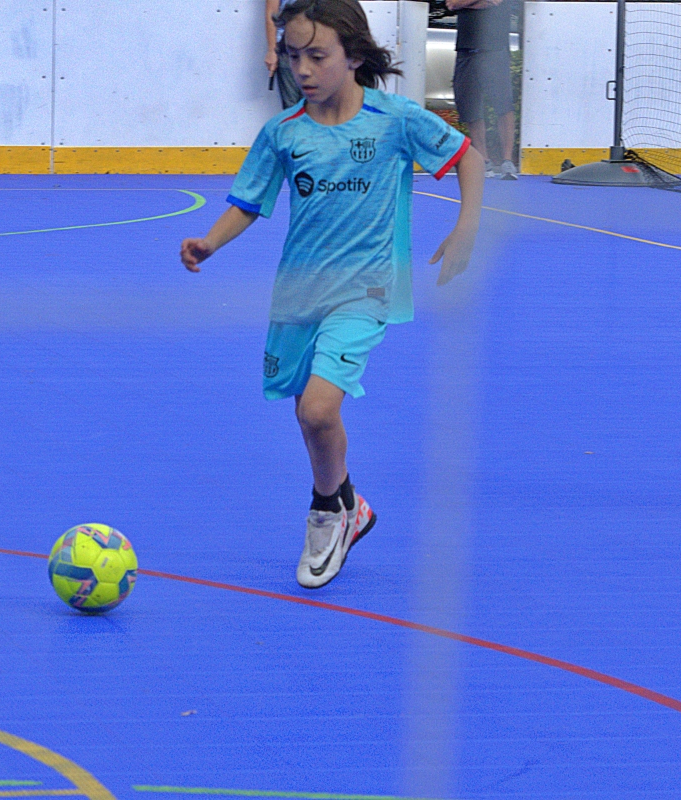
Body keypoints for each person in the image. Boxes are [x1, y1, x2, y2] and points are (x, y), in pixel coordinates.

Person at [182, 0, 485, 587]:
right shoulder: (283, 133)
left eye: (317, 55)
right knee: (305, 413)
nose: (304, 69)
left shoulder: (395, 120)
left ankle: (326, 514)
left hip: (367, 290)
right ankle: (349, 502)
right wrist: (210, 244)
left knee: (321, 408)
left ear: (353, 55)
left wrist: (466, 227)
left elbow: (466, 157)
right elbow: (248, 201)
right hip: (299, 293)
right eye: (294, 56)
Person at [447, 0, 518, 179]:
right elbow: (451, 3)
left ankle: (507, 161)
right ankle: (484, 160)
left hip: (495, 49)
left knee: (503, 103)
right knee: (470, 105)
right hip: (466, 49)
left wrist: (465, 3)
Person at [266, 0, 302, 109]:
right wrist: (272, 50)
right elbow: (271, 13)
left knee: (320, 107)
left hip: (319, 48)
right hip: (288, 48)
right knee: (291, 109)